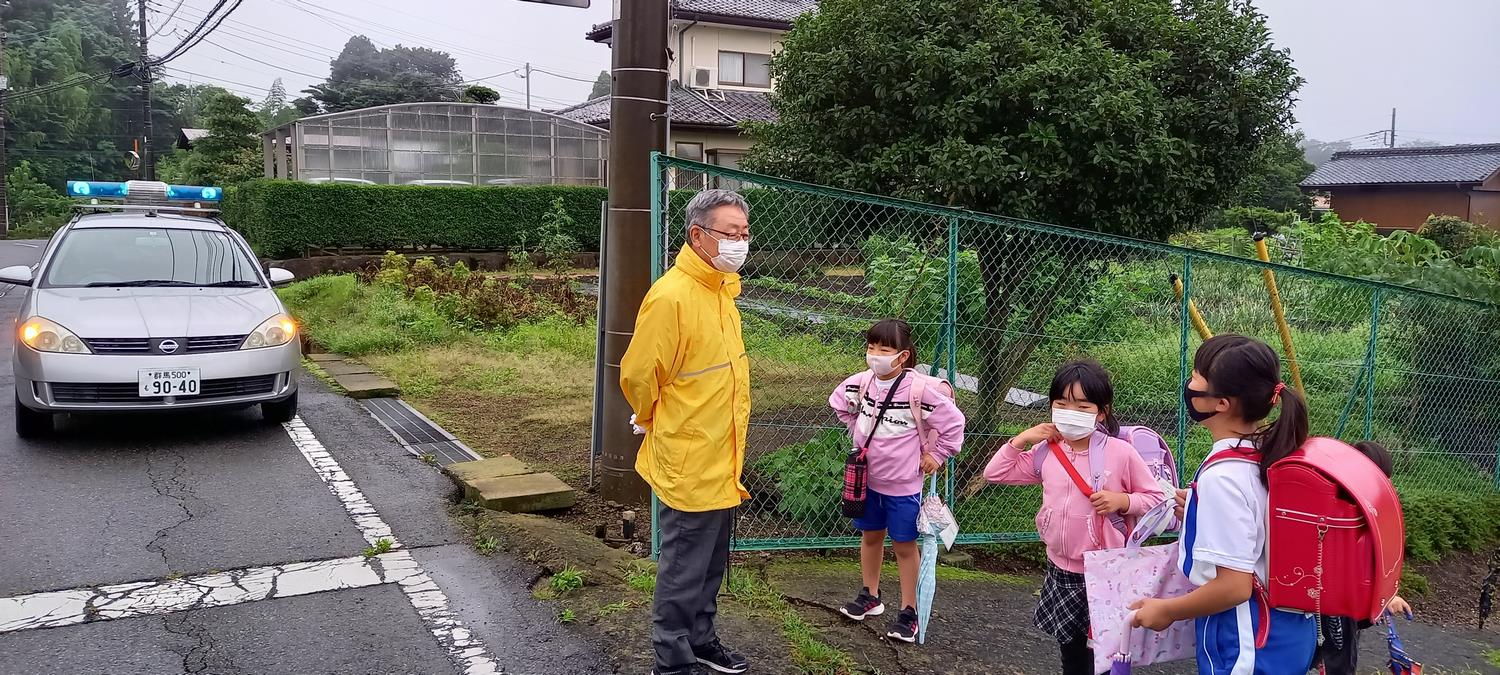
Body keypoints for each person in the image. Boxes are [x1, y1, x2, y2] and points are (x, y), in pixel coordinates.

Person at [620, 189, 754, 675]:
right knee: (682, 568)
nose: (741, 243)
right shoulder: (673, 296)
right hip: (690, 456)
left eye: (744, 234)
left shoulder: (722, 292)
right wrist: (651, 415)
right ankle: (672, 660)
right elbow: (639, 375)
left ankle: (701, 639)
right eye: (730, 234)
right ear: (698, 236)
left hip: (722, 455)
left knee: (709, 563)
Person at [1131, 334, 1318, 674]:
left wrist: (1167, 610)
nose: (1190, 383)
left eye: (1197, 375)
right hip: (1287, 633)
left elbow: (1233, 587)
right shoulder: (1268, 455)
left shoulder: (1224, 477)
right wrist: (1201, 513)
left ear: (1221, 403)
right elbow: (1260, 530)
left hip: (1246, 639)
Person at [983, 360, 1166, 674]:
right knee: (1071, 653)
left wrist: (1123, 500)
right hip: (1062, 569)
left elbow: (1156, 499)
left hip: (1105, 571)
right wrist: (1021, 439)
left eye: (1083, 406)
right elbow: (995, 472)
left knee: (1106, 655)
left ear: (1101, 412)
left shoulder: (1120, 453)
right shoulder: (1046, 451)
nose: (1071, 411)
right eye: (1062, 404)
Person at [830, 319, 966, 643]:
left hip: (904, 485)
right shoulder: (862, 383)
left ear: (902, 356)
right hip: (868, 481)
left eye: (884, 349)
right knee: (870, 537)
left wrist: (938, 455)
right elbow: (838, 403)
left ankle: (910, 611)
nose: (875, 354)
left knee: (904, 546)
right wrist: (857, 432)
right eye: (871, 347)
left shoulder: (919, 390)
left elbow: (954, 423)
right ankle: (870, 595)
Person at [1314, 440, 1413, 675]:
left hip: (1323, 599)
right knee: (1338, 662)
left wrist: (1387, 595)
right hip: (1337, 603)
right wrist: (1386, 597)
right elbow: (1360, 565)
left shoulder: (1347, 506)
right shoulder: (1355, 515)